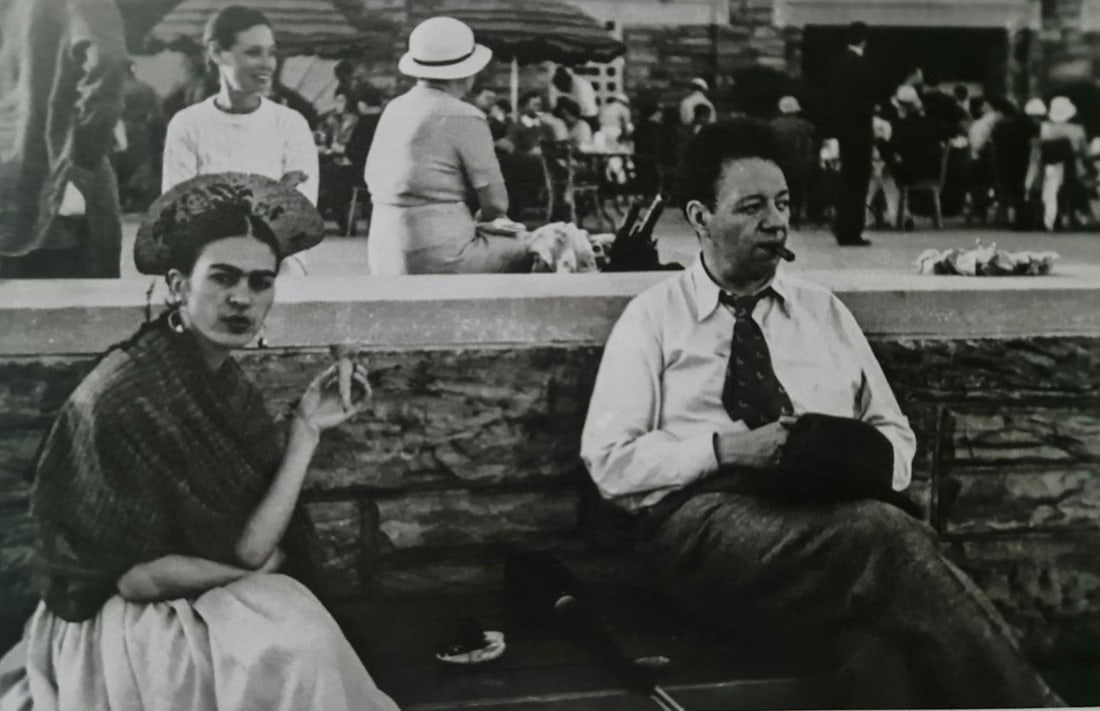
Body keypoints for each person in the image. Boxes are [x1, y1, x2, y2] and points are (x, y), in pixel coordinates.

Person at [580, 118, 1066, 709]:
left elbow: (895, 435)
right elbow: (609, 459)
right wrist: (730, 449)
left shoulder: (823, 312)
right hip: (704, 530)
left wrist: (844, 459)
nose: (775, 222)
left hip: (824, 527)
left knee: (875, 653)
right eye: (752, 206)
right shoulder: (654, 318)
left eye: (783, 204)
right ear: (700, 218)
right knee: (886, 536)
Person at [0, 173, 399, 711]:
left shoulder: (225, 385)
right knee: (294, 647)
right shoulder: (122, 394)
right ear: (177, 285)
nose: (242, 298)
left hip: (205, 586)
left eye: (261, 282)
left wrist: (306, 428)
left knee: (304, 640)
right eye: (223, 278)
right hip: (120, 618)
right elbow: (140, 580)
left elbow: (249, 544)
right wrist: (254, 573)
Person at [364, 17, 530, 275]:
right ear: (468, 72)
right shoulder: (465, 115)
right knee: (536, 247)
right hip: (439, 254)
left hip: (383, 251)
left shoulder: (395, 108)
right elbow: (496, 204)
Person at [162, 6, 319, 275]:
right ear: (216, 53)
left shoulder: (290, 124)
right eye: (253, 52)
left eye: (271, 52)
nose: (268, 63)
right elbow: (178, 214)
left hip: (277, 258)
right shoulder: (188, 124)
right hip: (208, 257)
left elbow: (298, 216)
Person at [0, 0, 128, 278]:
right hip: (57, 188)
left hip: (14, 194)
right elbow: (108, 60)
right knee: (79, 314)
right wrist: (83, 159)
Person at [826, 22, 875, 246]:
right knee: (858, 181)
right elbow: (865, 101)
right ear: (864, 39)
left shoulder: (837, 63)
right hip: (859, 132)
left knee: (846, 180)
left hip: (844, 132)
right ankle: (852, 229)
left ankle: (841, 226)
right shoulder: (861, 64)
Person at [769, 96, 817, 227]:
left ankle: (781, 213)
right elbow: (811, 147)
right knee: (798, 190)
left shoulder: (772, 126)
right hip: (800, 165)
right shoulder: (806, 126)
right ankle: (797, 215)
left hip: (779, 165)